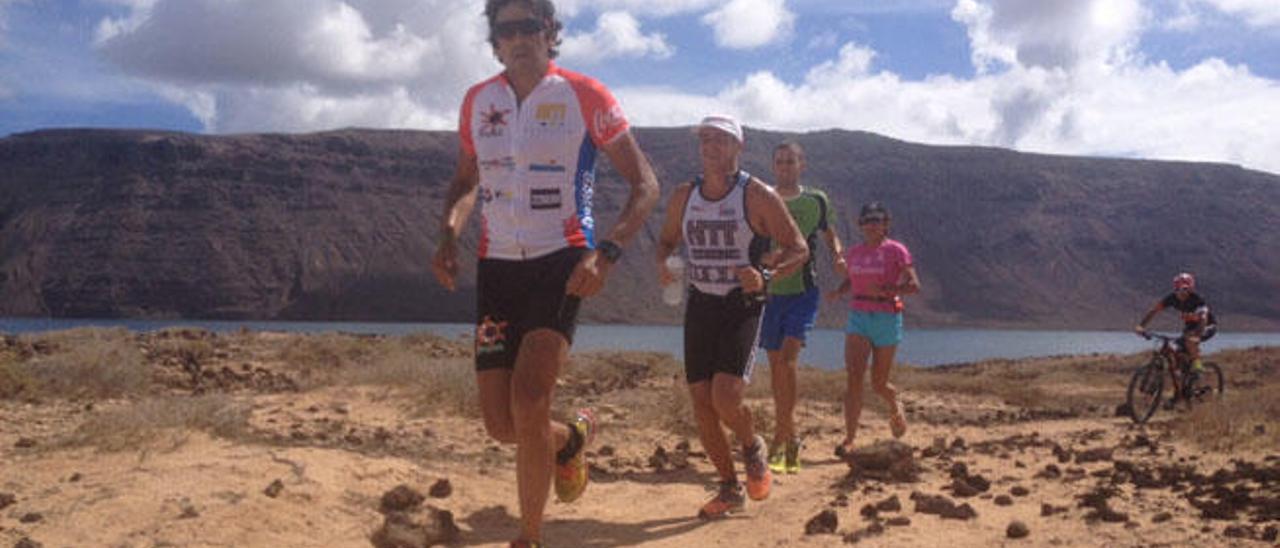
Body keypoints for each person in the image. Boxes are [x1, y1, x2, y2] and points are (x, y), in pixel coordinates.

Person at [431, 1, 660, 546]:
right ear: (494, 39)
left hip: (562, 260)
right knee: (502, 425)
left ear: (550, 31)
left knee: (530, 400)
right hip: (497, 268)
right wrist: (448, 233)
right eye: (505, 29)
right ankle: (570, 440)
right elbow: (466, 180)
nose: (517, 38)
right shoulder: (477, 100)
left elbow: (645, 185)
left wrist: (605, 254)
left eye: (528, 25)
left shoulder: (585, 95)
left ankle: (528, 537)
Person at [655, 114, 809, 519]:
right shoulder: (684, 195)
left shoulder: (756, 195)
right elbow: (667, 240)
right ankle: (728, 487)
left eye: (720, 140)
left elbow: (798, 248)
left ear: (737, 147)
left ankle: (751, 445)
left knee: (725, 396)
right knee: (702, 403)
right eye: (704, 139)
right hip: (701, 303)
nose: (710, 146)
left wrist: (766, 275)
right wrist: (665, 264)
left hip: (742, 303)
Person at [758, 142, 845, 475]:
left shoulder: (816, 200)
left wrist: (837, 255)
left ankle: (781, 439)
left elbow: (830, 235)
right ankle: (789, 437)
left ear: (801, 164)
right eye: (779, 161)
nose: (785, 167)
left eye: (790, 161)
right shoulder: (763, 196)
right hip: (769, 293)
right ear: (773, 165)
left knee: (789, 362)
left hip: (803, 291)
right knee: (776, 366)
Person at [827, 202, 919, 457]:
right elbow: (853, 278)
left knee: (878, 383)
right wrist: (839, 291)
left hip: (887, 317)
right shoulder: (854, 253)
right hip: (859, 316)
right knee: (854, 377)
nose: (872, 224)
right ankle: (849, 439)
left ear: (886, 224)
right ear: (860, 225)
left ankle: (894, 403)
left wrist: (889, 291)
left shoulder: (896, 250)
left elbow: (914, 285)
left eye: (878, 220)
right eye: (867, 220)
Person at [1135, 272, 1218, 401]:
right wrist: (1141, 326)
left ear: (1190, 288)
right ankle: (1179, 392)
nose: (1181, 292)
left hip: (1207, 326)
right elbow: (1154, 311)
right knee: (1175, 355)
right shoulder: (1171, 298)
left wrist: (1197, 337)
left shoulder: (1198, 300)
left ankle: (1197, 366)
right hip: (1189, 328)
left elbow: (1203, 320)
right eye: (1178, 288)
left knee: (1190, 341)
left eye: (1185, 289)